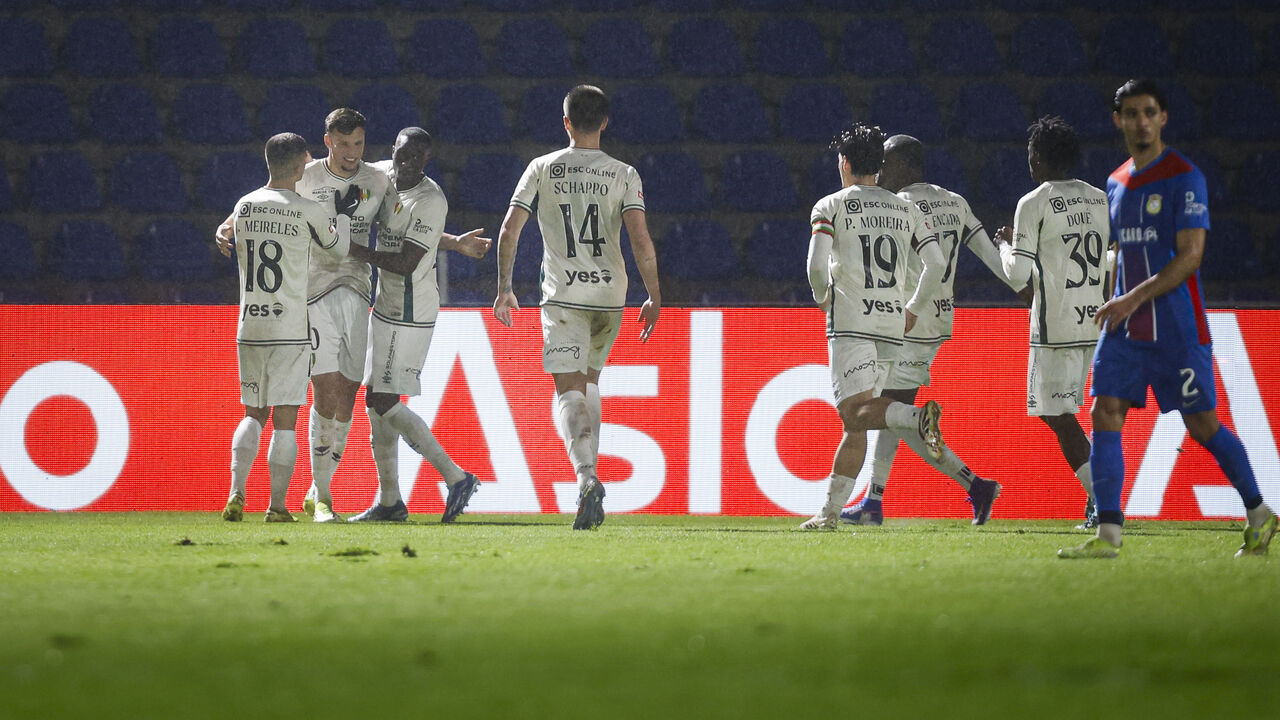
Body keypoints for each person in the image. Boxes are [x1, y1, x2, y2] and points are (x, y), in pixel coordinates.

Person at [216, 109, 486, 522]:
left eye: (358, 144)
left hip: (360, 292)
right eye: (343, 145)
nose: (351, 153)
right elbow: (264, 198)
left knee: (349, 394)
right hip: (313, 290)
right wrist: (228, 224)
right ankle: (325, 497)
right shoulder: (308, 175)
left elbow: (408, 235)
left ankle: (323, 491)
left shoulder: (377, 180)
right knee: (326, 390)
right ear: (327, 142)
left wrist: (453, 245)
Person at [1059, 79, 1277, 559]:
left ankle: (1259, 511)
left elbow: (1189, 257)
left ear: (1163, 118)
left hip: (1176, 329)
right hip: (1125, 329)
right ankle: (1109, 535)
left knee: (1202, 426)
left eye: (1149, 113)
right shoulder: (1115, 184)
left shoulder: (1184, 176)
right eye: (1131, 113)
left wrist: (1129, 298)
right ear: (1118, 120)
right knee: (1103, 411)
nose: (1141, 122)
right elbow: (1121, 252)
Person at [492, 85, 661, 530]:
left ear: (565, 121)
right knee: (589, 384)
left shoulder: (542, 168)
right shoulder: (624, 173)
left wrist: (504, 287)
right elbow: (641, 241)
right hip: (611, 295)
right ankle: (592, 479)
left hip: (565, 296)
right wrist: (655, 294)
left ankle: (587, 479)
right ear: (605, 122)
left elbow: (510, 229)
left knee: (568, 390)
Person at [839, 134, 1009, 527]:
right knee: (888, 412)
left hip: (905, 321)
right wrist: (1028, 288)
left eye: (887, 163)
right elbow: (992, 260)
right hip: (940, 322)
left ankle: (971, 485)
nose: (880, 171)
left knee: (880, 411)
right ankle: (877, 501)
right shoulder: (956, 202)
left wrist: (905, 308)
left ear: (906, 166)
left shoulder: (900, 206)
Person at [799, 123, 955, 531]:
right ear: (880, 168)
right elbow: (936, 264)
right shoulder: (907, 209)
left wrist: (821, 297)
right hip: (892, 322)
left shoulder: (829, 206)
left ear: (845, 164)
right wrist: (914, 308)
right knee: (858, 421)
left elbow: (817, 267)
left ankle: (914, 415)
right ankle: (830, 514)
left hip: (851, 322)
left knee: (854, 410)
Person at [347, 127, 491, 523]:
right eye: (402, 153)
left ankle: (456, 477)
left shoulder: (430, 199)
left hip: (411, 311)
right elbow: (406, 234)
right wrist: (456, 242)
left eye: (415, 157)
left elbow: (409, 259)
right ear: (393, 150)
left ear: (426, 159)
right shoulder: (383, 177)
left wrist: (355, 250)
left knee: (382, 401)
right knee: (376, 407)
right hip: (385, 304)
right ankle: (390, 502)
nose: (406, 161)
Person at [222, 132, 350, 523]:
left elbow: (227, 233)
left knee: (251, 413)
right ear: (299, 166)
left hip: (249, 326)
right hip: (290, 328)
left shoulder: (244, 206)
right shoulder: (306, 208)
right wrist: (342, 216)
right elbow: (338, 247)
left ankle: (235, 493)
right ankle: (277, 506)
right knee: (286, 419)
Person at [994, 116, 1109, 531]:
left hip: (1055, 328)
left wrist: (1005, 244)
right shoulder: (1099, 198)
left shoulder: (1034, 202)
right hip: (1094, 320)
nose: (1029, 164)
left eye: (1031, 156)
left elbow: (1017, 274)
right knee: (1070, 412)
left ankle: (1102, 499)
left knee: (1056, 414)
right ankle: (1102, 494)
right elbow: (1109, 258)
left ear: (1039, 159)